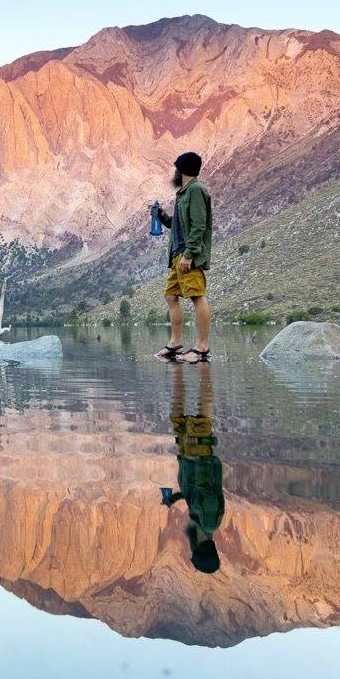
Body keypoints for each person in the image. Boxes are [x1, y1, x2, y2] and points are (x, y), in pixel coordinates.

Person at [160, 362, 224, 574]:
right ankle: (202, 368)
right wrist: (193, 454)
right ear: (198, 546)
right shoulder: (209, 519)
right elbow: (206, 486)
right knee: (201, 418)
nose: (189, 544)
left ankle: (179, 370)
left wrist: (175, 498)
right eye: (192, 547)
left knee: (178, 417)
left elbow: (192, 493)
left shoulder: (202, 520)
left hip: (190, 456)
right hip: (197, 455)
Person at [152, 151, 213, 363]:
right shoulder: (183, 194)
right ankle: (176, 344)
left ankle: (202, 348)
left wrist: (190, 254)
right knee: (171, 296)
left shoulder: (196, 190)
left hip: (189, 256)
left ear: (182, 169)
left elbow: (199, 225)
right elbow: (178, 225)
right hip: (177, 255)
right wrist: (162, 217)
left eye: (176, 168)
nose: (175, 172)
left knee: (197, 296)